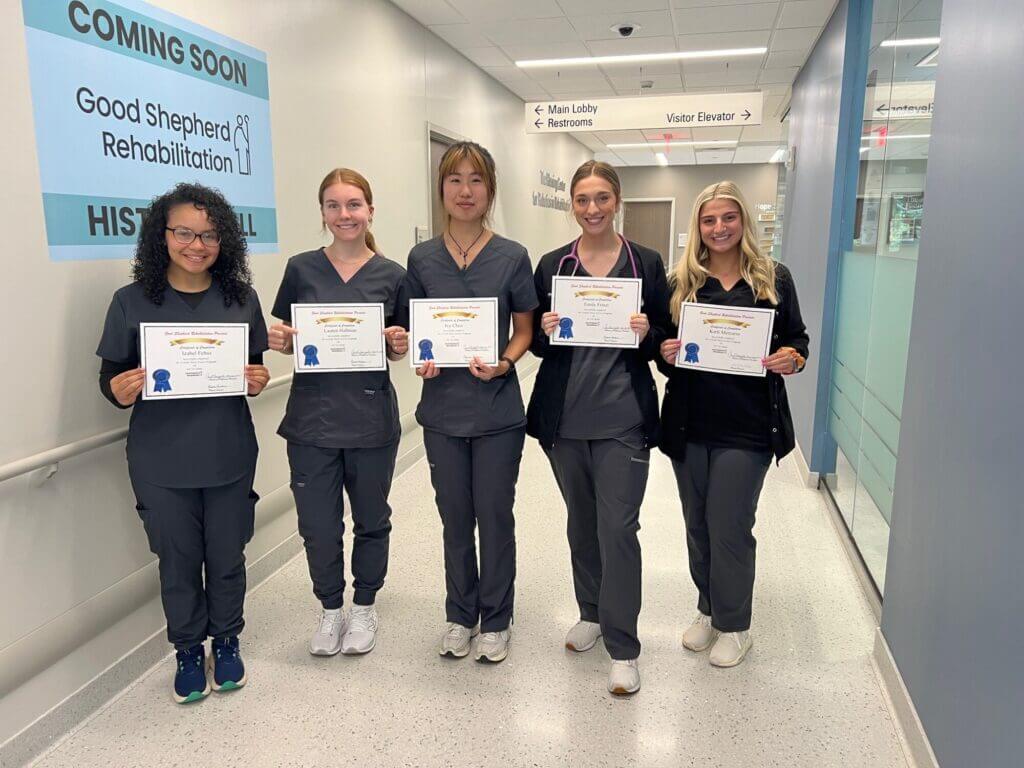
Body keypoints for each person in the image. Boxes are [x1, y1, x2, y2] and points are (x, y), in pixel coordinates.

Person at [96, 182, 270, 703]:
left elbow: (256, 367)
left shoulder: (242, 298)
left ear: (225, 241)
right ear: (162, 236)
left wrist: (257, 379)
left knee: (227, 555)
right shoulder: (130, 302)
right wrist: (118, 389)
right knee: (176, 560)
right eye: (184, 233)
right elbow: (110, 378)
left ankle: (228, 639)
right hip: (160, 459)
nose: (197, 245)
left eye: (210, 235)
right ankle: (189, 649)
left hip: (228, 453)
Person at [526, 160, 671, 695]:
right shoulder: (553, 266)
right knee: (581, 524)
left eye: (602, 198)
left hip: (623, 421)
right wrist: (542, 329)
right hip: (566, 422)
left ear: (617, 201)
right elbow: (539, 344)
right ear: (572, 204)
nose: (592, 209)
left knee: (618, 530)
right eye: (583, 199)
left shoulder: (646, 264)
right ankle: (590, 611)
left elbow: (665, 338)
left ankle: (624, 644)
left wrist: (646, 331)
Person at [658, 181, 809, 668]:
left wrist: (792, 358)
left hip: (746, 427)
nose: (719, 228)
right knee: (697, 524)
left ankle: (736, 624)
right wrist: (663, 352)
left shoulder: (772, 277)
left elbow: (797, 341)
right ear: (697, 227)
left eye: (728, 218)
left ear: (743, 220)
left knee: (730, 526)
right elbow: (663, 346)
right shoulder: (680, 280)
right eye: (709, 220)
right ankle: (708, 608)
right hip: (689, 423)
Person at [405, 141, 537, 663]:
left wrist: (504, 362)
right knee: (454, 518)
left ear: (490, 190)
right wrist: (423, 359)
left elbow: (524, 329)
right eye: (455, 179)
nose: (465, 191)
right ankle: (461, 614)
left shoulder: (511, 256)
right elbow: (419, 332)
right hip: (442, 412)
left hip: (497, 411)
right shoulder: (421, 258)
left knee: (495, 515)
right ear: (441, 188)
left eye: (476, 180)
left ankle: (497, 618)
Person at [268, 168, 409, 657]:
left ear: (370, 210)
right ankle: (331, 609)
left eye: (353, 205)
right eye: (333, 205)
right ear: (323, 212)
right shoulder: (301, 268)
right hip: (312, 420)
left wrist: (397, 344)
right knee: (318, 525)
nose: (344, 215)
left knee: (372, 518)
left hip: (371, 420)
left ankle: (365, 606)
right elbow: (290, 338)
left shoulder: (393, 276)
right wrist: (282, 342)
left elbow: (400, 347)